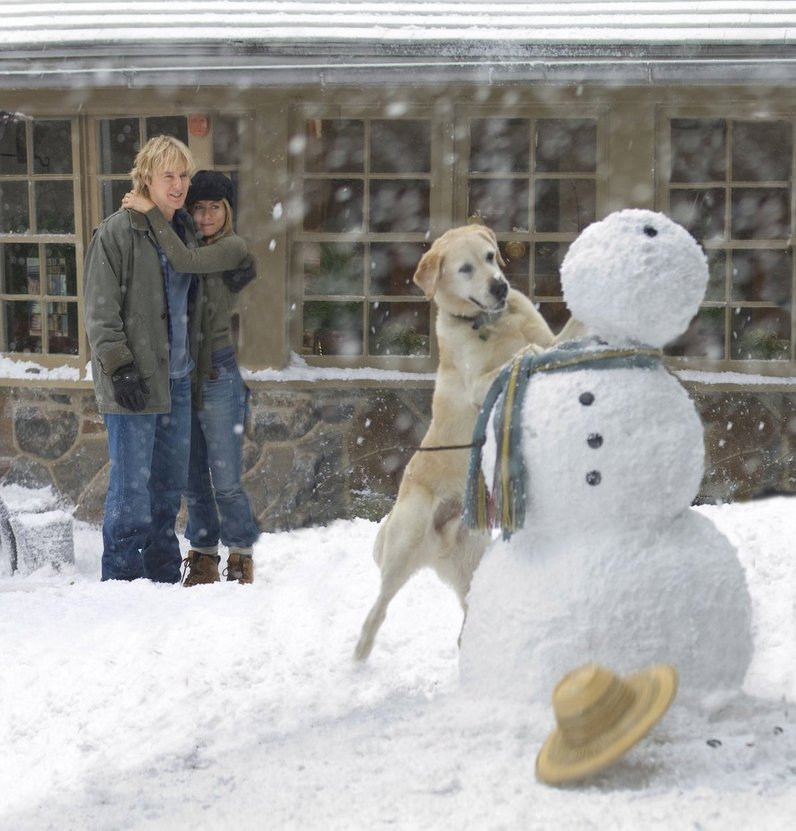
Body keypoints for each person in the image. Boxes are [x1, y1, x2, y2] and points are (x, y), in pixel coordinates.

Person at [123, 170, 259, 585]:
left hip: (217, 372)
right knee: (193, 480)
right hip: (184, 372)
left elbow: (185, 261)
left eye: (214, 207)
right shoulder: (183, 239)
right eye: (197, 207)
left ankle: (240, 554)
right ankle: (202, 554)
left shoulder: (231, 247)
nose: (204, 216)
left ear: (227, 210)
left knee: (226, 480)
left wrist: (150, 212)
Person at [84, 135, 201, 583]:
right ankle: (122, 581)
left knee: (168, 489)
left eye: (183, 175)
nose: (178, 184)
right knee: (132, 491)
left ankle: (163, 574)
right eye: (167, 175)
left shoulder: (184, 231)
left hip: (177, 379)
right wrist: (120, 366)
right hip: (133, 379)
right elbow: (99, 310)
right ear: (146, 179)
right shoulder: (116, 232)